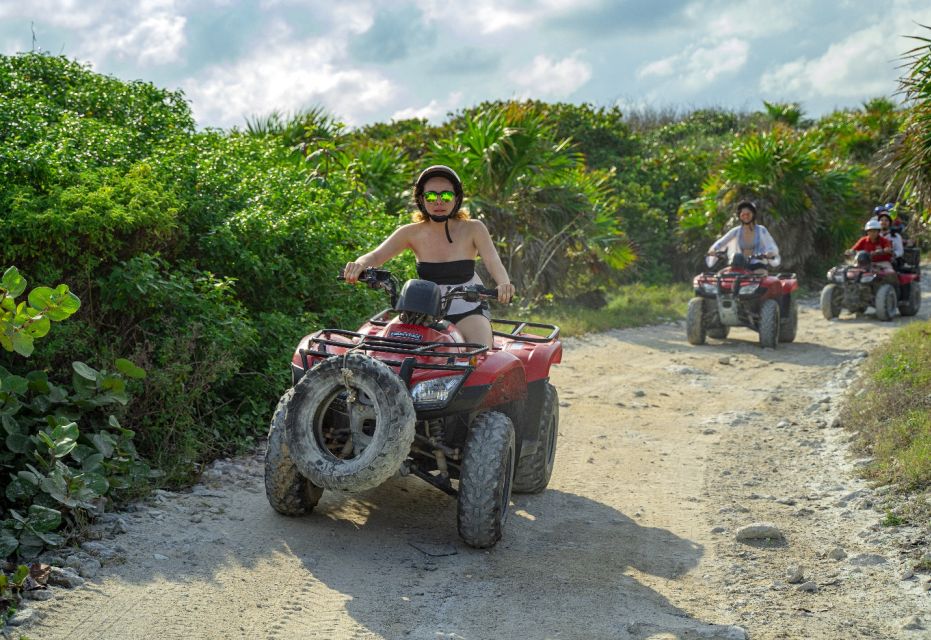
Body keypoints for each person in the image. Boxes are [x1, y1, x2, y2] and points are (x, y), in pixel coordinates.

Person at [343, 165, 515, 348]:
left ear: (456, 198)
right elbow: (376, 256)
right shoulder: (410, 232)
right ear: (421, 199)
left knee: (478, 354)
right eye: (431, 196)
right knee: (381, 349)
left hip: (468, 309)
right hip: (421, 310)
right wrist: (358, 264)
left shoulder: (473, 228)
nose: (438, 202)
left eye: (446, 195)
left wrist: (504, 284)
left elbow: (492, 260)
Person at [707, 201, 780, 274]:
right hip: (738, 264)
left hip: (757, 264)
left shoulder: (761, 230)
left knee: (760, 274)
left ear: (753, 214)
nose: (746, 216)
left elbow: (770, 245)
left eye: (748, 214)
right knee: (720, 274)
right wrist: (714, 250)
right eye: (743, 214)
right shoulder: (736, 231)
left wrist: (770, 253)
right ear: (739, 216)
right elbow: (721, 242)